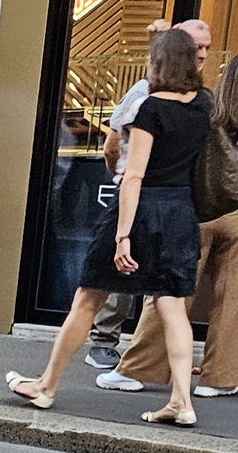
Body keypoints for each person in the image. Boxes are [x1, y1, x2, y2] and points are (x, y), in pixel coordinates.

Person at [8, 26, 207, 426]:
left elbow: (133, 176)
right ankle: (182, 401)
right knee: (173, 307)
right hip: (180, 212)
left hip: (141, 210)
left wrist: (122, 235)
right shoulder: (203, 104)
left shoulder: (150, 109)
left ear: (157, 63)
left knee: (88, 298)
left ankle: (46, 386)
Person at [101, 48, 238, 399]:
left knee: (170, 293)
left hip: (193, 212)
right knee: (234, 300)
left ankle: (139, 369)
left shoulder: (205, 112)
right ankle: (220, 379)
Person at [83, 19, 210, 363]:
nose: (201, 54)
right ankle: (105, 341)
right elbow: (115, 147)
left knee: (130, 285)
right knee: (121, 284)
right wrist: (119, 177)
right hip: (159, 199)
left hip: (160, 199)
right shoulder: (149, 96)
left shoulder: (197, 100)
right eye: (195, 47)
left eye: (206, 48)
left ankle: (66, 373)